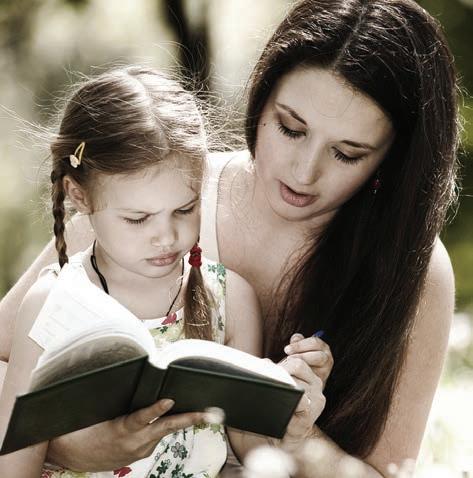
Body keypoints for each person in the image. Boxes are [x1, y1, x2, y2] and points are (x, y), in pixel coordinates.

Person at [0, 0, 459, 475]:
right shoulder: (147, 191)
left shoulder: (413, 270)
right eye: (290, 128)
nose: (304, 172)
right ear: (260, 100)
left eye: (346, 153)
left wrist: (297, 433)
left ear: (392, 160)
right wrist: (81, 448)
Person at [0, 66, 324, 477]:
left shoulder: (231, 300)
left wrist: (291, 417)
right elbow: (13, 465)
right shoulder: (49, 308)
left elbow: (246, 445)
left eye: (184, 209)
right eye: (138, 219)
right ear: (79, 196)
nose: (167, 237)